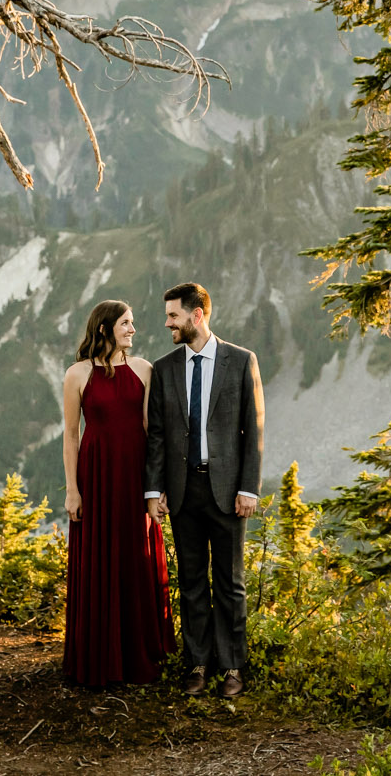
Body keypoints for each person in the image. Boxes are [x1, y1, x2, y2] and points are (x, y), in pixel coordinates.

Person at [144, 281, 265, 698]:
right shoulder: (164, 369)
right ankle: (197, 663)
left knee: (230, 581)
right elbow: (157, 435)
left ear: (197, 316)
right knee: (191, 580)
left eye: (173, 316)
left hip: (228, 492)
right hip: (182, 492)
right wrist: (153, 490)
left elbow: (254, 432)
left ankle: (232, 666)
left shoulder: (241, 360)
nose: (167, 323)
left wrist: (249, 487)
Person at [61, 299, 172, 686]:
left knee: (136, 558)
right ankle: (99, 658)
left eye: (133, 323)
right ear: (105, 328)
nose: (133, 329)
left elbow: (150, 429)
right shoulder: (77, 374)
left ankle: (139, 657)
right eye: (126, 323)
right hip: (96, 476)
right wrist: (73, 490)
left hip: (134, 477)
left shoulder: (144, 369)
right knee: (99, 560)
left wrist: (156, 489)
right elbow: (71, 435)